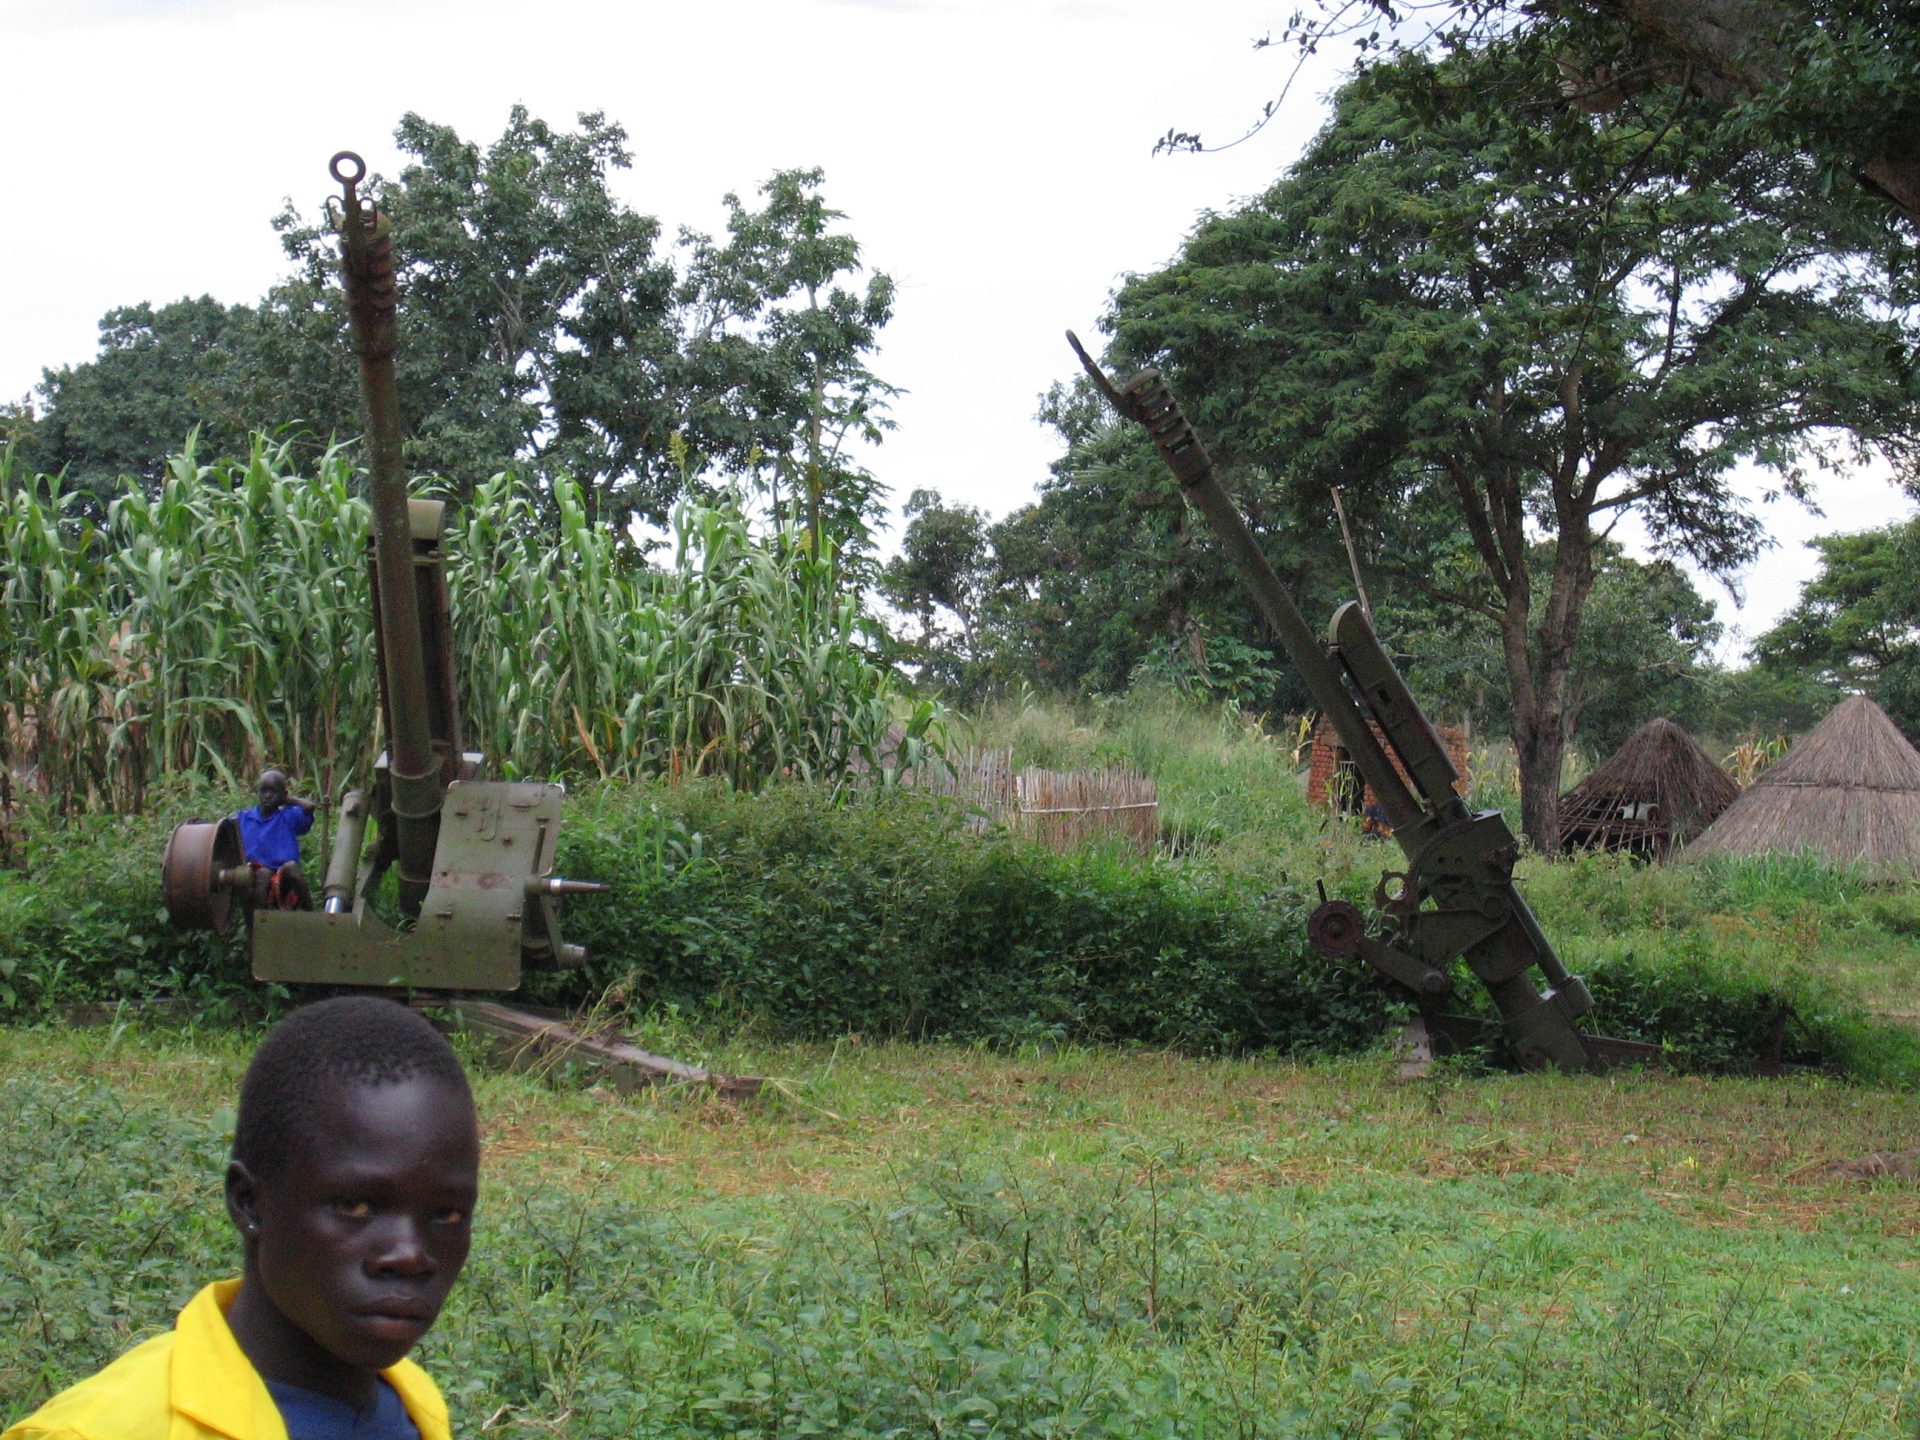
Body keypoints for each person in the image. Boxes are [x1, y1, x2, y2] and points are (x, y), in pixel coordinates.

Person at [2, 996, 481, 1440]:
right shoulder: (99, 1430)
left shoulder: (413, 1407)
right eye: (355, 1207)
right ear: (249, 1201)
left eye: (447, 1213)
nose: (411, 1255)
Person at [237, 769, 316, 911]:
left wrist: (289, 801)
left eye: (273, 792)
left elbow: (310, 807)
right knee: (263, 874)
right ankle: (257, 926)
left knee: (291, 867)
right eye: (264, 791)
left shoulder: (289, 815)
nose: (267, 796)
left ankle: (312, 915)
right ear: (258, 792)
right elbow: (222, 829)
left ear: (283, 795)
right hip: (255, 875)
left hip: (284, 877)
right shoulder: (245, 817)